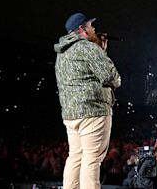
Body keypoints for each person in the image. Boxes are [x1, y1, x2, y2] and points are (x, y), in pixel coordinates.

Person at [54, 12, 121, 189]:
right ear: (82, 29)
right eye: (91, 25)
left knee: (75, 156)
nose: (94, 29)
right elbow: (112, 78)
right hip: (93, 111)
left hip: (71, 113)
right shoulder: (88, 48)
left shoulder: (62, 52)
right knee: (92, 159)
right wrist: (101, 51)